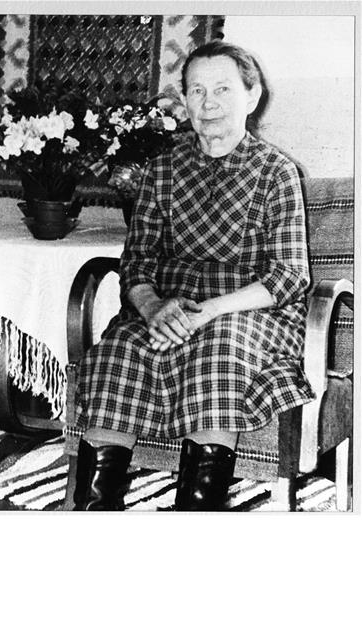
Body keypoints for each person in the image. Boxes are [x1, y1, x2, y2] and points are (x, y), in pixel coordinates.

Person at [72, 40, 313, 511]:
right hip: (168, 309)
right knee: (118, 352)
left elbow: (288, 277)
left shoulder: (276, 173)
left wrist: (207, 313)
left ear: (252, 96)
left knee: (216, 351)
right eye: (197, 91)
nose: (208, 103)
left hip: (250, 313)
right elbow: (137, 261)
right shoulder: (162, 168)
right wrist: (152, 307)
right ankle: (93, 516)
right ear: (184, 101)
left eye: (223, 89)